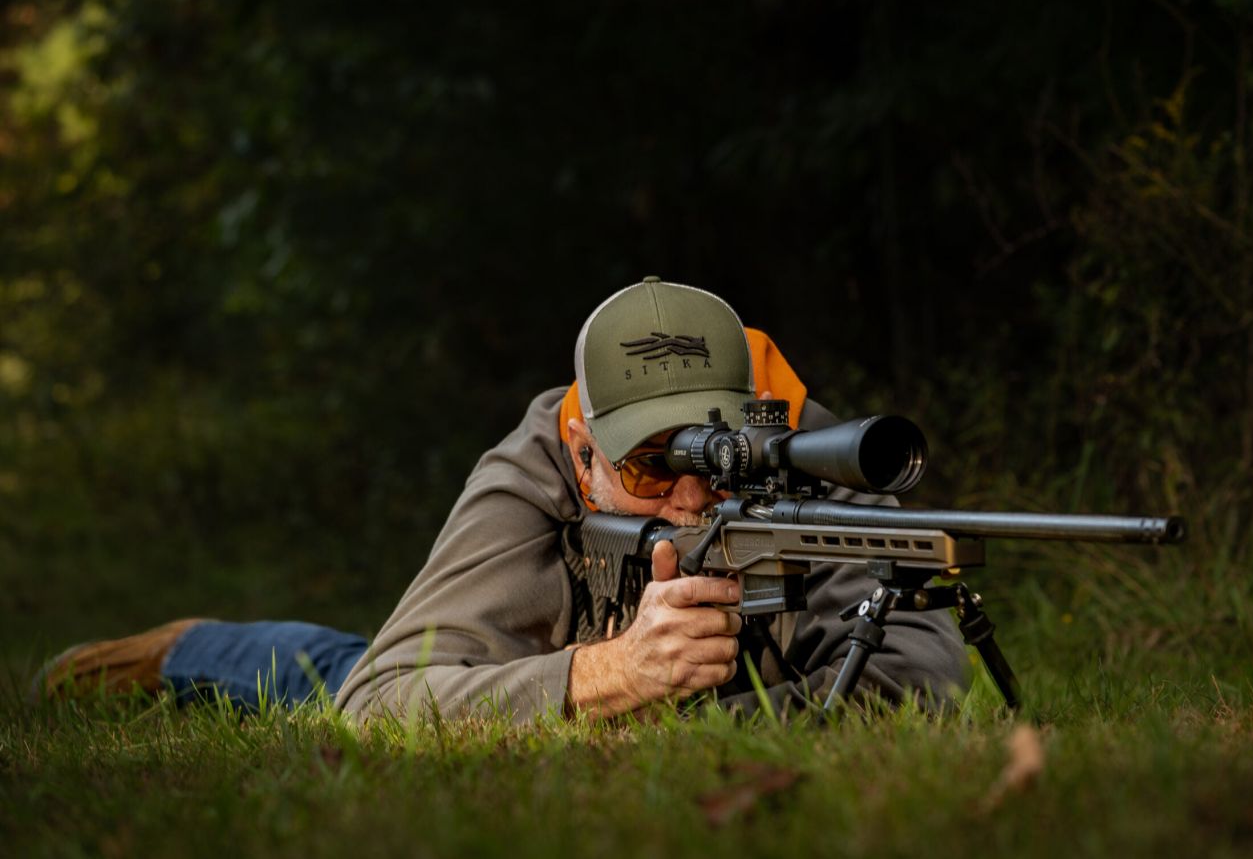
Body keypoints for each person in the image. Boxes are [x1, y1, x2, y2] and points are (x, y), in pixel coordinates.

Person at [36, 278, 971, 722]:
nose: (690, 495)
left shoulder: (812, 454)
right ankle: (188, 649)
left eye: (715, 460)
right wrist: (609, 677)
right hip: (530, 655)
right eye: (649, 463)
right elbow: (379, 708)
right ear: (581, 448)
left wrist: (692, 721)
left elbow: (927, 675)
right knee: (325, 677)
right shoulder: (532, 466)